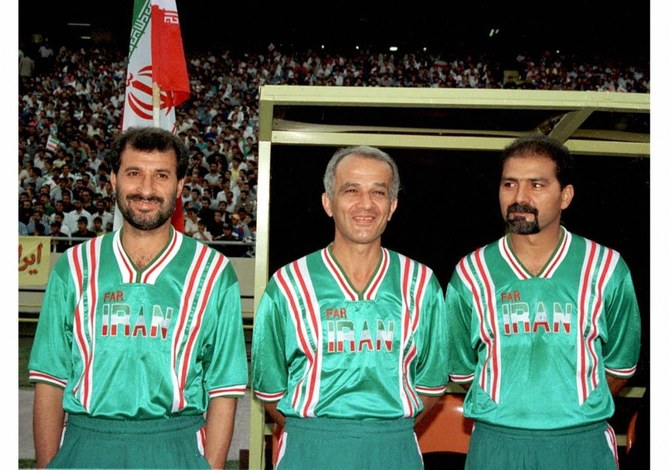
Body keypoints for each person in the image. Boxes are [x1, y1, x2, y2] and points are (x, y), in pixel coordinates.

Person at [28, 126, 248, 469]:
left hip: (174, 446)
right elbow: (50, 380)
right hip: (87, 443)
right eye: (134, 173)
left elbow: (223, 390)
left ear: (179, 186)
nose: (146, 189)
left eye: (161, 175)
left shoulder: (213, 272)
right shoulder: (73, 267)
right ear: (113, 179)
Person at [445, 134, 641, 470]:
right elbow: (462, 369)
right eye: (509, 184)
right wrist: (507, 403)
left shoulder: (606, 267)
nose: (520, 197)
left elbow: (620, 365)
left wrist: (570, 404)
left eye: (537, 185)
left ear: (565, 195)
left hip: (581, 444)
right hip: (497, 444)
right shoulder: (471, 272)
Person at [251, 145, 448, 470]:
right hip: (311, 448)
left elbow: (430, 384)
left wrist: (383, 431)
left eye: (378, 192)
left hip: (393, 449)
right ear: (328, 202)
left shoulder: (421, 283)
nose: (365, 204)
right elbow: (270, 389)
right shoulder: (288, 284)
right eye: (351, 190)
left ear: (392, 205)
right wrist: (321, 433)